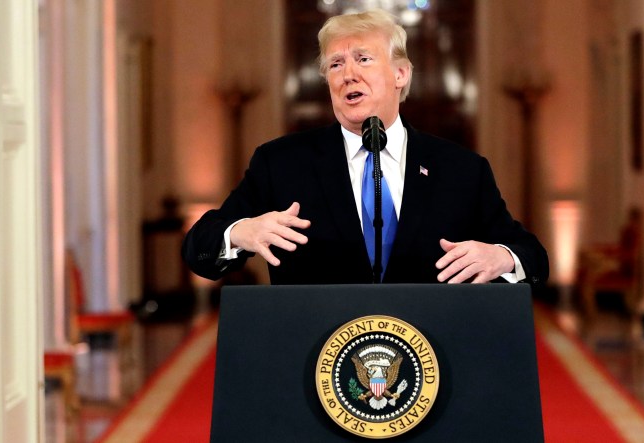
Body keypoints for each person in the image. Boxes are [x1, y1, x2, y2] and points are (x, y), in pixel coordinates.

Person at [182, 9, 549, 285]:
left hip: (430, 361)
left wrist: (501, 257)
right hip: (318, 363)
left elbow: (533, 256)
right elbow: (199, 247)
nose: (348, 75)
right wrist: (241, 232)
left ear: (401, 74)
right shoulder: (282, 163)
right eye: (335, 64)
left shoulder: (461, 169)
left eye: (363, 59)